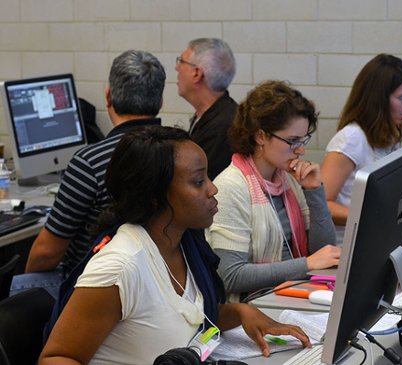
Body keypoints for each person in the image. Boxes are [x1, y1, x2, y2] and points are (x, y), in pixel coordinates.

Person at [39, 126, 311, 364]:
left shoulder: (182, 244)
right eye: (198, 181)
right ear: (155, 195)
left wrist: (242, 311)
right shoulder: (120, 267)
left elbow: (185, 317)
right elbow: (56, 358)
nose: (212, 189)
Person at [10, 50, 166, 299]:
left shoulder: (89, 162)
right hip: (160, 281)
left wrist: (27, 299)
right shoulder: (182, 151)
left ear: (108, 97)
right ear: (160, 101)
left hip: (93, 287)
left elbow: (47, 253)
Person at [206, 80, 340, 303]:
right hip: (254, 307)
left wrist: (314, 191)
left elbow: (323, 250)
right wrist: (307, 264)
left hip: (293, 294)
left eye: (303, 140)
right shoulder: (231, 187)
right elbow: (232, 275)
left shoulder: (289, 179)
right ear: (260, 136)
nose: (301, 150)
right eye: (292, 141)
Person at [320, 54, 402, 247]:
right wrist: (373, 218)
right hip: (348, 249)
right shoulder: (352, 138)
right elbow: (320, 205)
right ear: (378, 100)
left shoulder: (388, 138)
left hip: (379, 243)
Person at [176, 37, 237, 181]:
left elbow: (198, 186)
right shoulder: (211, 115)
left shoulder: (222, 129)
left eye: (181, 61)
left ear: (197, 73)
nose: (177, 67)